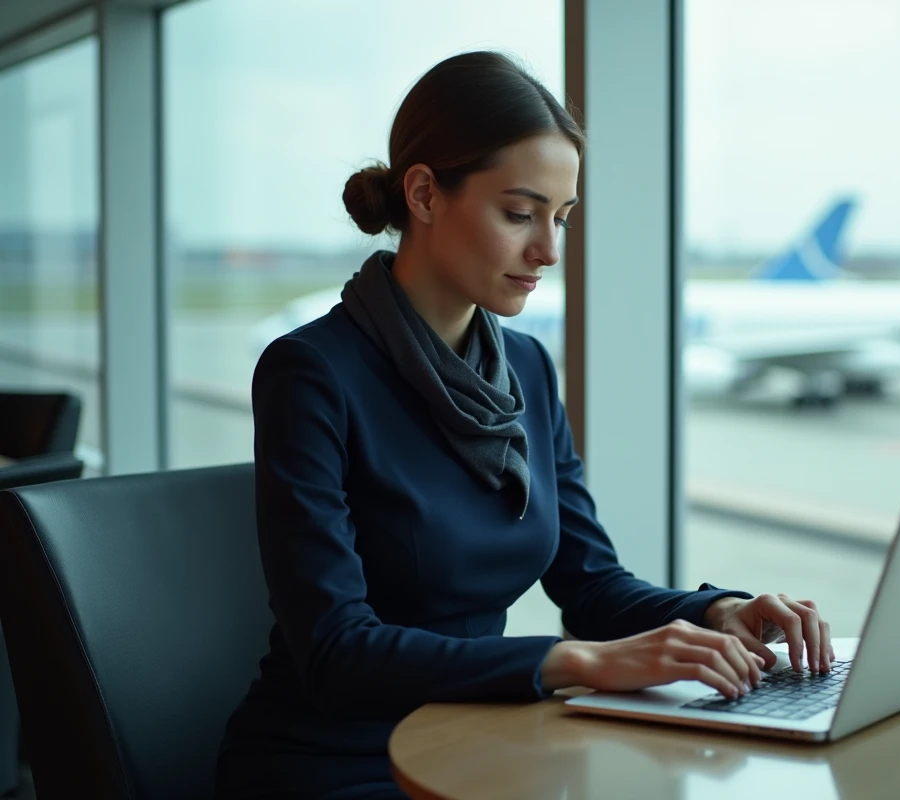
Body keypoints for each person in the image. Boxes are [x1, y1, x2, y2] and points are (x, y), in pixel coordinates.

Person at [215, 50, 832, 799]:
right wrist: (576, 664)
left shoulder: (527, 370)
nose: (547, 251)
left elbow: (592, 587)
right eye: (519, 213)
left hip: (481, 741)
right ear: (424, 194)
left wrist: (719, 610)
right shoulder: (312, 372)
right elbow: (337, 653)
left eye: (561, 217)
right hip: (335, 764)